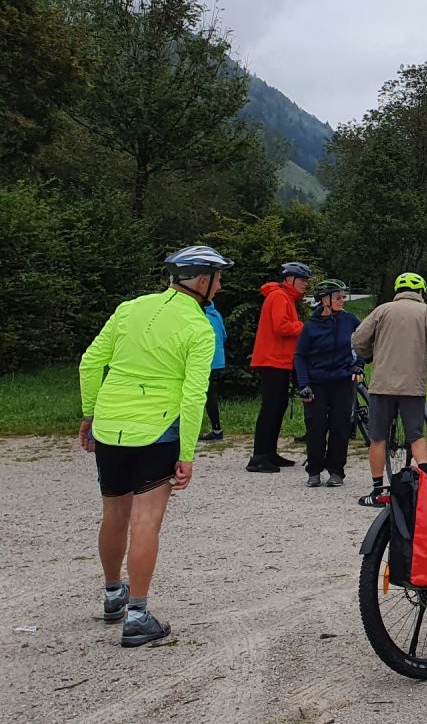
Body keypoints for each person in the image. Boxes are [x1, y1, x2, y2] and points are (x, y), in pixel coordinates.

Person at [79, 245, 232, 646]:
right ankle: (138, 615)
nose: (220, 286)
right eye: (219, 278)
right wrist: (186, 454)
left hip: (111, 425)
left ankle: (113, 594)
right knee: (145, 520)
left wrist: (90, 413)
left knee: (114, 512)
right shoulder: (200, 327)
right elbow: (194, 394)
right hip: (157, 428)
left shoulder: (130, 308)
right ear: (203, 281)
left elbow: (90, 362)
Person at [350, 272, 427, 507]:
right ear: (421, 292)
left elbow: (358, 339)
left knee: (378, 438)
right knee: (416, 435)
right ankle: (424, 488)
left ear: (397, 291)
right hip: (412, 386)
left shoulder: (382, 310)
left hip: (382, 385)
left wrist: (367, 356)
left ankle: (378, 491)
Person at [293, 279, 362, 489]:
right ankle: (314, 470)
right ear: (324, 300)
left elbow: (364, 343)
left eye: (343, 296)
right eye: (338, 297)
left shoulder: (350, 320)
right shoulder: (311, 326)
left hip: (342, 380)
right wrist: (303, 383)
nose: (342, 300)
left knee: (340, 426)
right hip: (316, 382)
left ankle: (336, 470)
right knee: (316, 426)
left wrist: (358, 365)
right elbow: (300, 356)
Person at [247, 261, 311, 473]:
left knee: (278, 407)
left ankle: (269, 452)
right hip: (272, 360)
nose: (306, 284)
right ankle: (259, 457)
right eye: (302, 279)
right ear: (289, 279)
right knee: (271, 408)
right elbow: (282, 326)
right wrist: (306, 327)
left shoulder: (285, 298)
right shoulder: (279, 297)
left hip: (279, 360)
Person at [200, 297, 226, 442]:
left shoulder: (199, 314)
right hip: (217, 360)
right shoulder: (216, 313)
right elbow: (224, 335)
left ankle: (215, 430)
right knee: (210, 394)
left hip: (205, 359)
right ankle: (216, 428)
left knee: (202, 395)